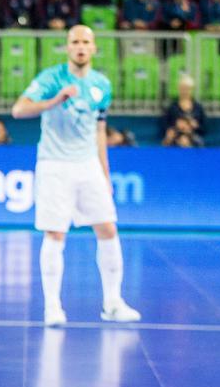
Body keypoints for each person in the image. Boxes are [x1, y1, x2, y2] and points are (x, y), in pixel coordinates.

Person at [11, 25, 141, 327]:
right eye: (75, 42)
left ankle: (112, 303)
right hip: (54, 164)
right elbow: (19, 110)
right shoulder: (51, 78)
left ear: (94, 48)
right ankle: (52, 307)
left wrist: (104, 174)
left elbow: (99, 130)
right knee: (55, 233)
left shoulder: (101, 85)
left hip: (88, 166)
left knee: (108, 229)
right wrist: (55, 100)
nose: (80, 47)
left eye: (86, 42)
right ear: (67, 48)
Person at [161, 74, 206, 147]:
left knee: (189, 141)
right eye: (183, 88)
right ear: (179, 88)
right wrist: (176, 126)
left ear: (192, 89)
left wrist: (194, 125)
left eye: (187, 88)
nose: (185, 91)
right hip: (176, 136)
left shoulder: (198, 108)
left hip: (193, 136)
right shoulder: (172, 107)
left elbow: (204, 128)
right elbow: (164, 125)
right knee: (172, 140)